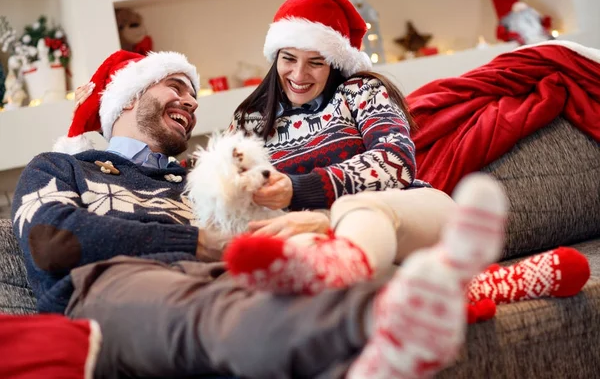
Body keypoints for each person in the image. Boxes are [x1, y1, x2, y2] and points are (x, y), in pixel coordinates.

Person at [12, 48, 511, 378]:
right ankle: (385, 320)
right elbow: (52, 240)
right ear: (128, 95)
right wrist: (201, 244)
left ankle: (435, 301)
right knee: (212, 315)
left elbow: (266, 225)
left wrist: (312, 223)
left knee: (306, 275)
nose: (190, 100)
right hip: (110, 283)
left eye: (193, 93)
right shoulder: (62, 166)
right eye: (173, 86)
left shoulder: (202, 178)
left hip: (223, 271)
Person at [222, 0, 590, 307]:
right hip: (316, 235)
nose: (299, 74)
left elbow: (395, 162)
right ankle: (464, 289)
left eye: (315, 62)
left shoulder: (360, 92)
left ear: (333, 63)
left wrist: (304, 193)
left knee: (353, 209)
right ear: (276, 57)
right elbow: (220, 189)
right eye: (289, 58)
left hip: (409, 213)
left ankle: (356, 270)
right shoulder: (248, 122)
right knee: (294, 246)